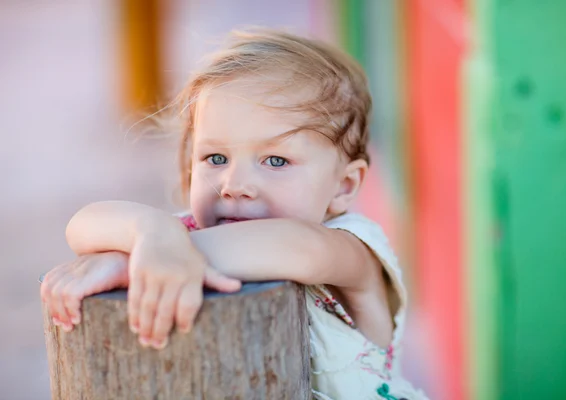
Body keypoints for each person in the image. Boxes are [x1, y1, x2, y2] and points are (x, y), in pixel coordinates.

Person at [40, 28, 427, 399]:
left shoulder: (350, 249)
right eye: (216, 157)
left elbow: (294, 247)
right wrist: (150, 234)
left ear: (343, 186)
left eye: (275, 160)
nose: (233, 183)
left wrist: (136, 260)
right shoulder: (182, 236)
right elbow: (82, 224)